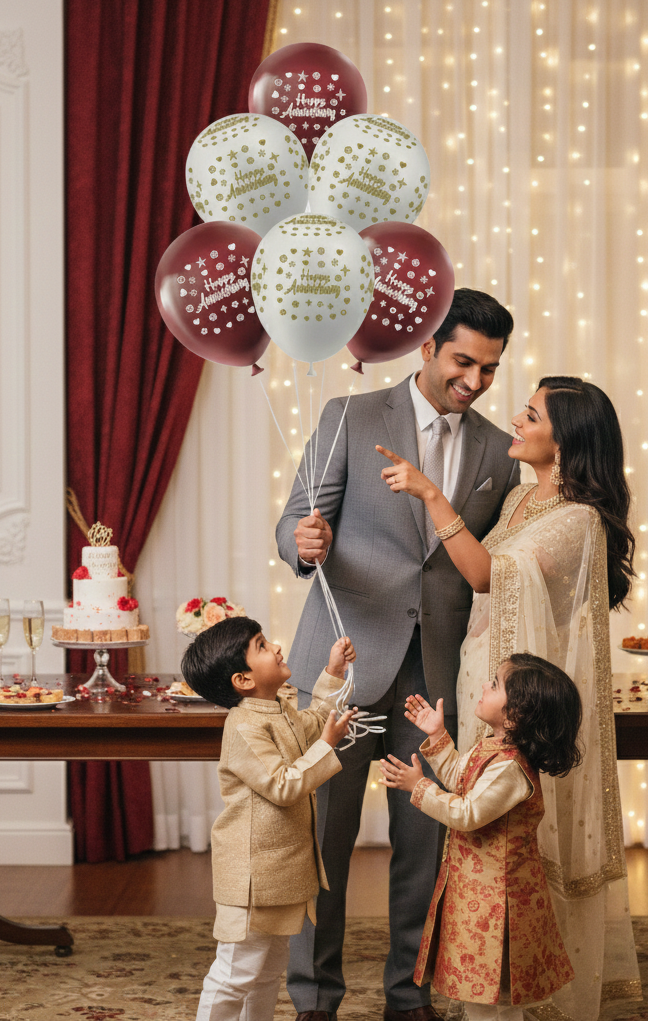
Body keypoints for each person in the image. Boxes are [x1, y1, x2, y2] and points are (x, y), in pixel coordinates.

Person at [277, 288, 521, 1021]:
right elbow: (294, 521)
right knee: (324, 839)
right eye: (463, 361)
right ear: (428, 347)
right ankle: (313, 998)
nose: (474, 381)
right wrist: (303, 542)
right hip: (343, 666)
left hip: (437, 672)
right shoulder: (349, 416)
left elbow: (482, 562)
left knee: (426, 842)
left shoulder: (496, 449)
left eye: (489, 368)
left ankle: (408, 997)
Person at [377, 376, 642, 1019]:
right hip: (481, 675)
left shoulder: (578, 519)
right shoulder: (521, 497)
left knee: (513, 827)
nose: (516, 422)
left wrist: (431, 494)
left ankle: (532, 989)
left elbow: (485, 574)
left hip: (520, 693)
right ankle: (486, 971)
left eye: (531, 415)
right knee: (482, 815)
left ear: (566, 440)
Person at [378, 653, 584, 1021]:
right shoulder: (492, 748)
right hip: (476, 893)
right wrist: (437, 735)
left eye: (495, 684)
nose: (485, 686)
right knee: (484, 991)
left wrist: (419, 787)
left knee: (494, 993)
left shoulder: (510, 768)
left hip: (498, 900)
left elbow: (467, 814)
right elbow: (460, 778)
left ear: (515, 716)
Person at [180, 617, 357, 1021]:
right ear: (243, 680)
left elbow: (314, 723)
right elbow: (282, 785)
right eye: (261, 645)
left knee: (267, 972)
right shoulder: (244, 727)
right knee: (235, 975)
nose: (276, 647)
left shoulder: (278, 708)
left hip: (279, 874)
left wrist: (332, 673)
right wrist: (327, 745)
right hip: (253, 879)